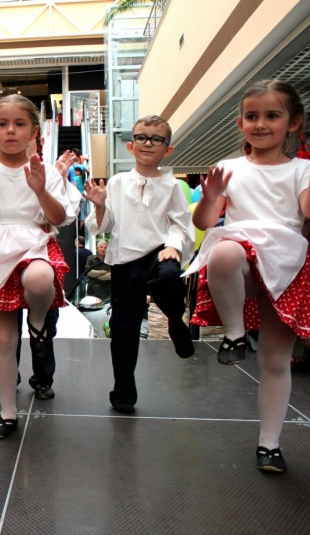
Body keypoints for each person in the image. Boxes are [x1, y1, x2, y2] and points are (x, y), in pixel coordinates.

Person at [186, 80, 310, 473]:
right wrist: (210, 197)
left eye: (271, 115)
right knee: (224, 250)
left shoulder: (302, 169)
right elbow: (204, 222)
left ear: (293, 123)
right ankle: (234, 334)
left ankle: (270, 444)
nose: (260, 124)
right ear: (240, 123)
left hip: (286, 264)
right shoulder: (229, 169)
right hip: (243, 260)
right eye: (252, 116)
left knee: (275, 360)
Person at [0, 94, 74, 440]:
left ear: (34, 131)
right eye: (3, 124)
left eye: (20, 124)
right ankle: (8, 412)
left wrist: (40, 190)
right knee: (4, 340)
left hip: (32, 241)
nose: (11, 131)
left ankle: (38, 323)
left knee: (39, 277)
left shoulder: (44, 171)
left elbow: (58, 217)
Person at [84, 115, 195, 415]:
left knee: (169, 277)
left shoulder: (172, 186)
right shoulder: (118, 182)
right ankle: (123, 391)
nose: (148, 143)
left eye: (157, 139)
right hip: (126, 259)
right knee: (124, 328)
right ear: (131, 146)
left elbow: (181, 223)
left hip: (159, 252)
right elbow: (103, 224)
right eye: (141, 137)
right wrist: (100, 205)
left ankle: (175, 320)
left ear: (167, 149)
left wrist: (173, 245)